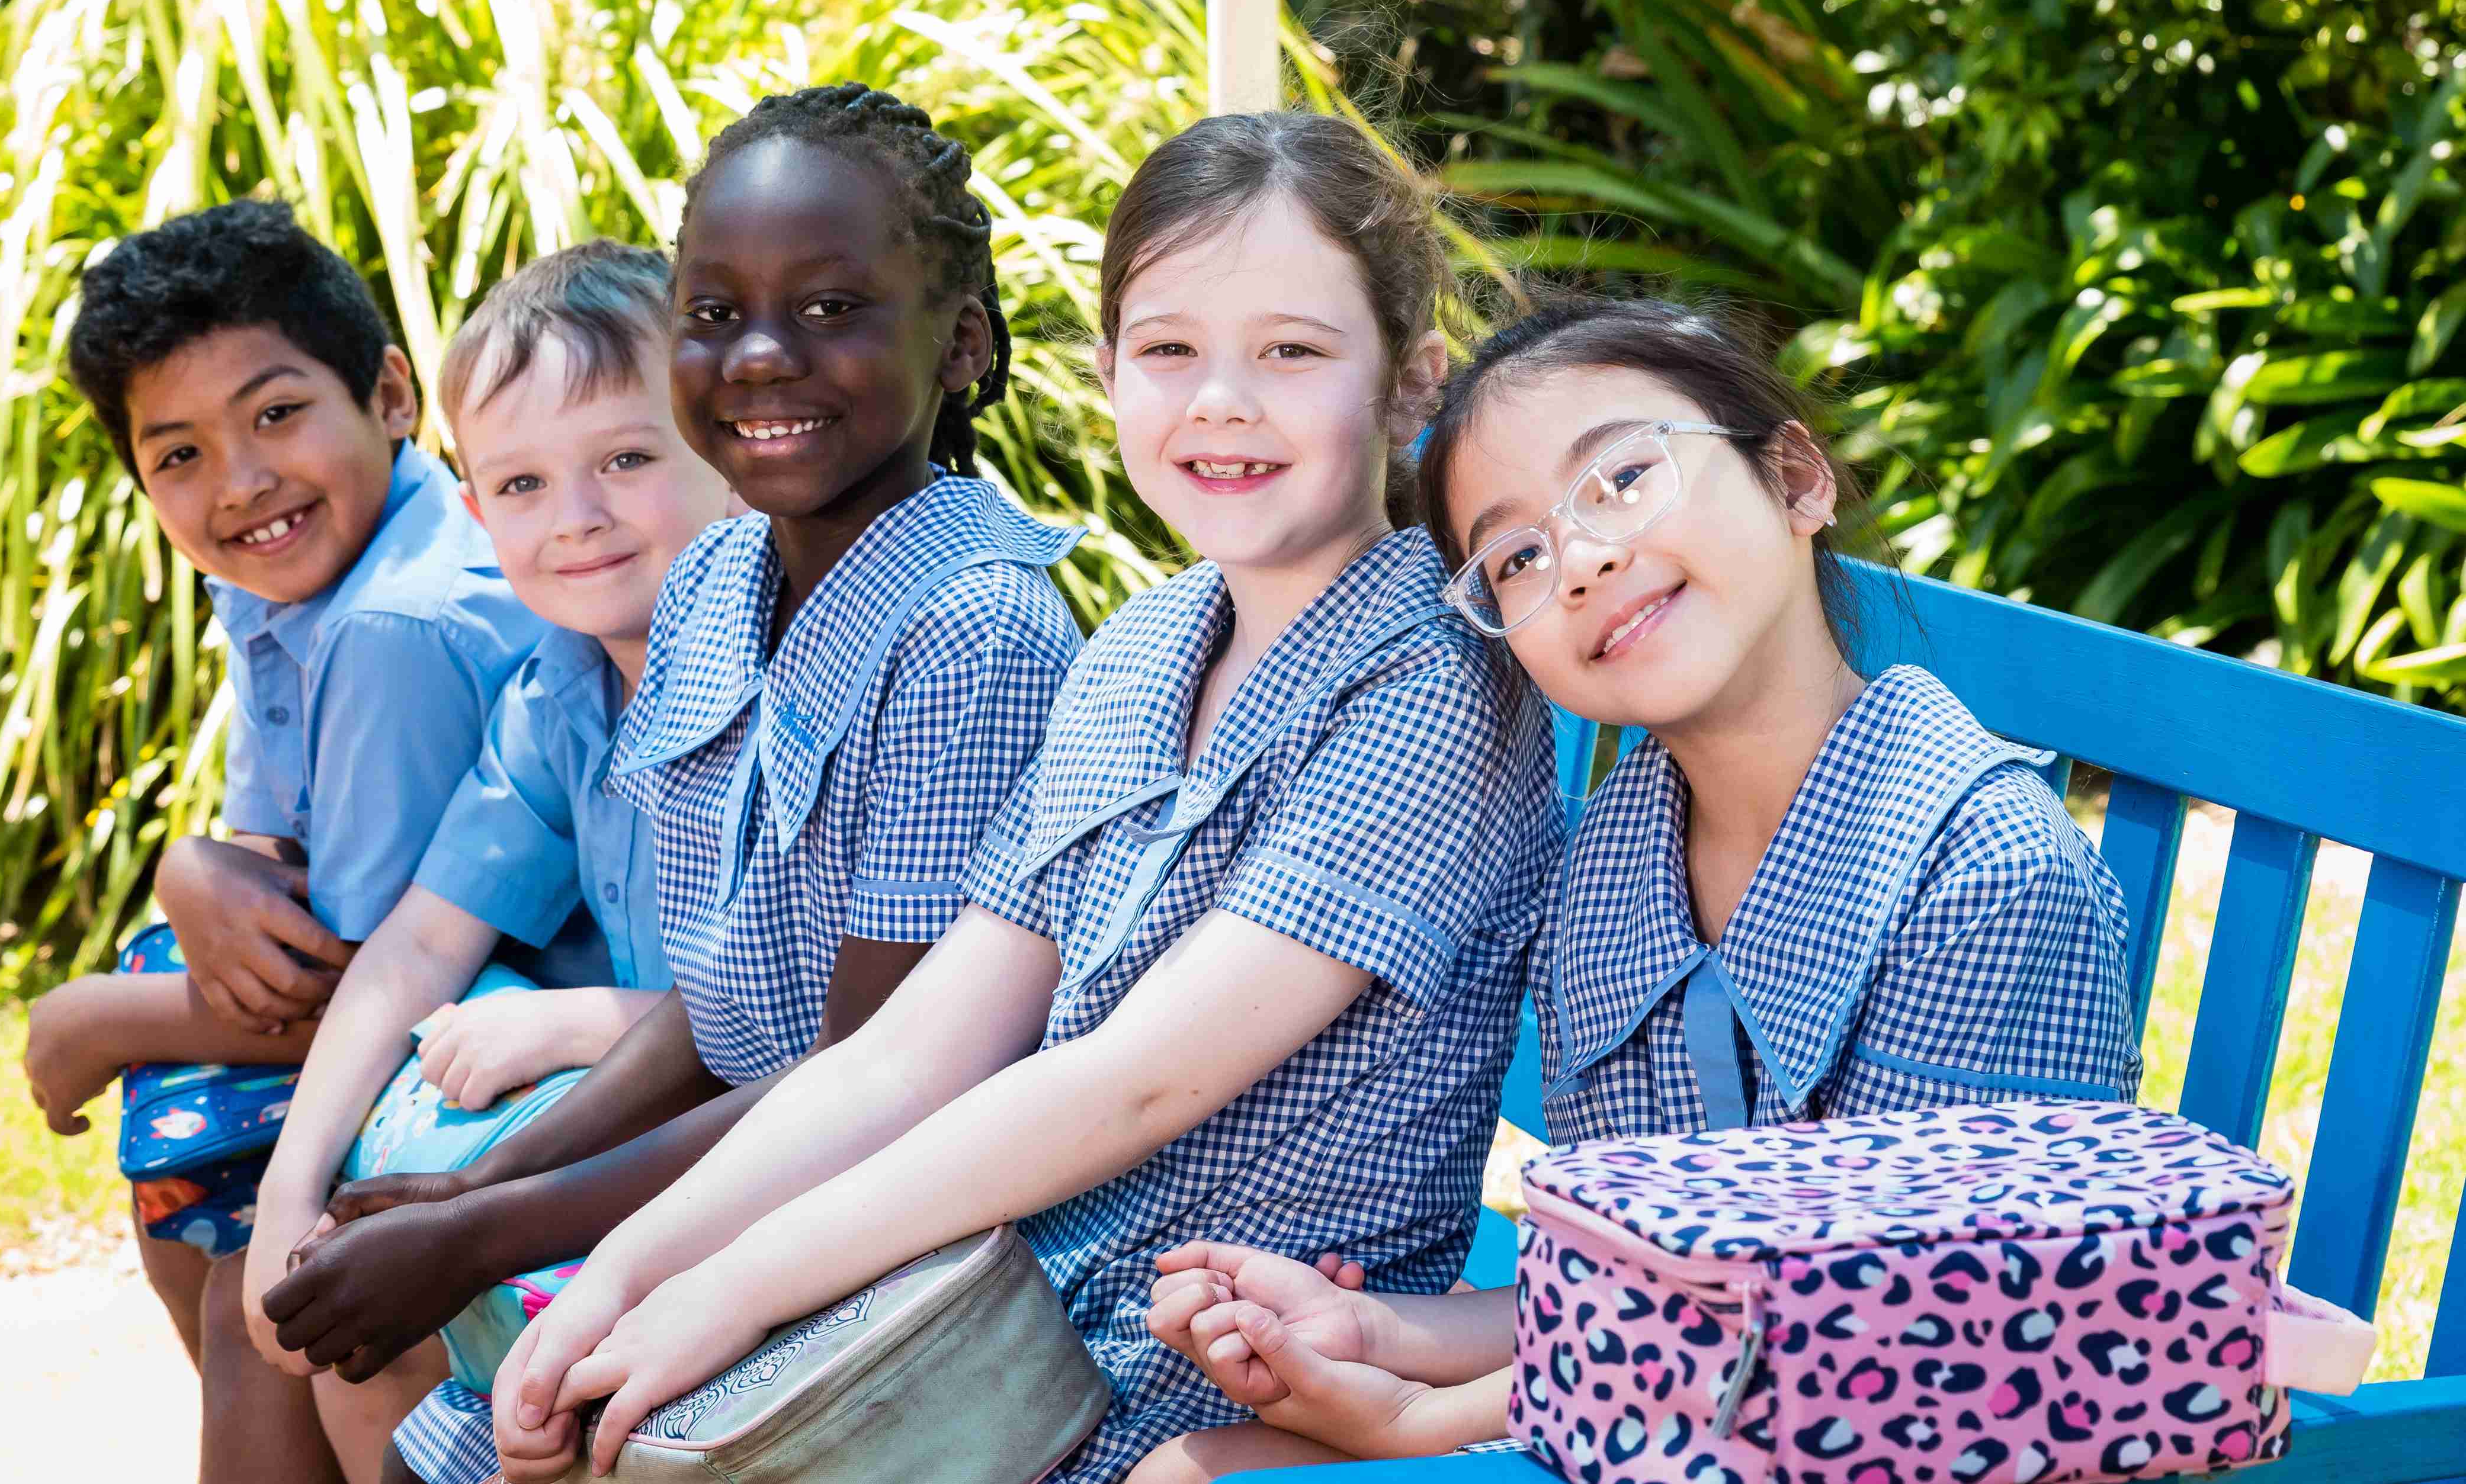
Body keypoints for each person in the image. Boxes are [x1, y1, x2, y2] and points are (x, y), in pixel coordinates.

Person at [482, 111, 1561, 1484]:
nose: (1220, 400)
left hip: (1226, 1370)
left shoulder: (1436, 686)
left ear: (1412, 380)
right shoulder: (1142, 650)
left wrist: (736, 1285)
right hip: (988, 1330)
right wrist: (627, 1273)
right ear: (1108, 369)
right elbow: (914, 1049)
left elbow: (1126, 1081)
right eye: (1169, 349)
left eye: (1290, 350)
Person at [1134, 293, 2142, 1476]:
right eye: (1515, 555)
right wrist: (1379, 1331)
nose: (1586, 557)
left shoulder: (1984, 876)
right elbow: (1641, 1290)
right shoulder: (1617, 865)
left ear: (1798, 479)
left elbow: (1913, 1346)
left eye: (1622, 477)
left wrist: (1427, 1419)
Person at [255, 83, 1086, 1484]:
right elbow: (727, 1003)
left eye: (831, 308)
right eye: (715, 312)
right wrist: (477, 1185)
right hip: (712, 1193)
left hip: (876, 1255)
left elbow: (866, 1082)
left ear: (963, 345)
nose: (762, 357)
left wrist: (488, 1228)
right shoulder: (716, 580)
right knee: (423, 1439)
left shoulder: (973, 626)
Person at [190, 241, 737, 1483]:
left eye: (629, 459)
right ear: (481, 512)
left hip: (750, 1165)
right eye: (527, 483)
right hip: (631, 1142)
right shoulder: (565, 689)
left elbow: (839, 1019)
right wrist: (290, 1191)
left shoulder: (782, 677)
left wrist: (584, 1021)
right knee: (309, 1294)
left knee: (406, 1309)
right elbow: (417, 944)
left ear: (725, 455)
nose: (580, 515)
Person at [18, 200, 552, 1359]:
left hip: (522, 1029)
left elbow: (358, 982)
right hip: (418, 985)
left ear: (393, 396)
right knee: (185, 1174)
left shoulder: (398, 625)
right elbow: (272, 870)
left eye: (277, 413)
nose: (243, 481)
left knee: (248, 1281)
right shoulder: (286, 566)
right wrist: (191, 868)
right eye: (180, 455)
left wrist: (87, 1021)